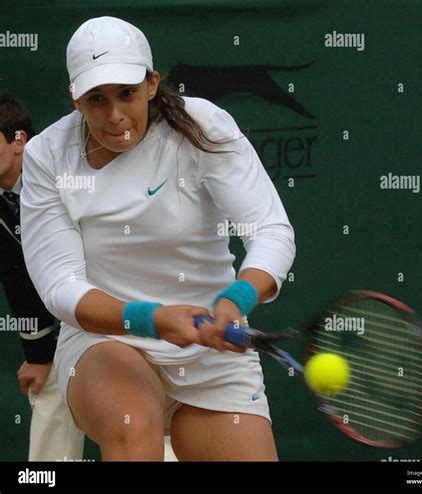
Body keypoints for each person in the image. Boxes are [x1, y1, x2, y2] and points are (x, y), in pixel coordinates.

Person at [21, 16, 296, 461]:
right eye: (97, 99)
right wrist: (151, 319)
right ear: (76, 99)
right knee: (134, 429)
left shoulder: (204, 124)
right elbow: (60, 287)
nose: (114, 116)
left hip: (212, 345)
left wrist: (237, 298)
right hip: (107, 341)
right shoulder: (46, 157)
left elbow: (269, 230)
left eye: (126, 93)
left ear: (151, 84)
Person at [0, 91, 85, 461]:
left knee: (152, 428)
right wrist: (38, 353)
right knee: (49, 402)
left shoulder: (68, 176)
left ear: (19, 140)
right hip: (62, 332)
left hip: (120, 315)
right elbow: (16, 278)